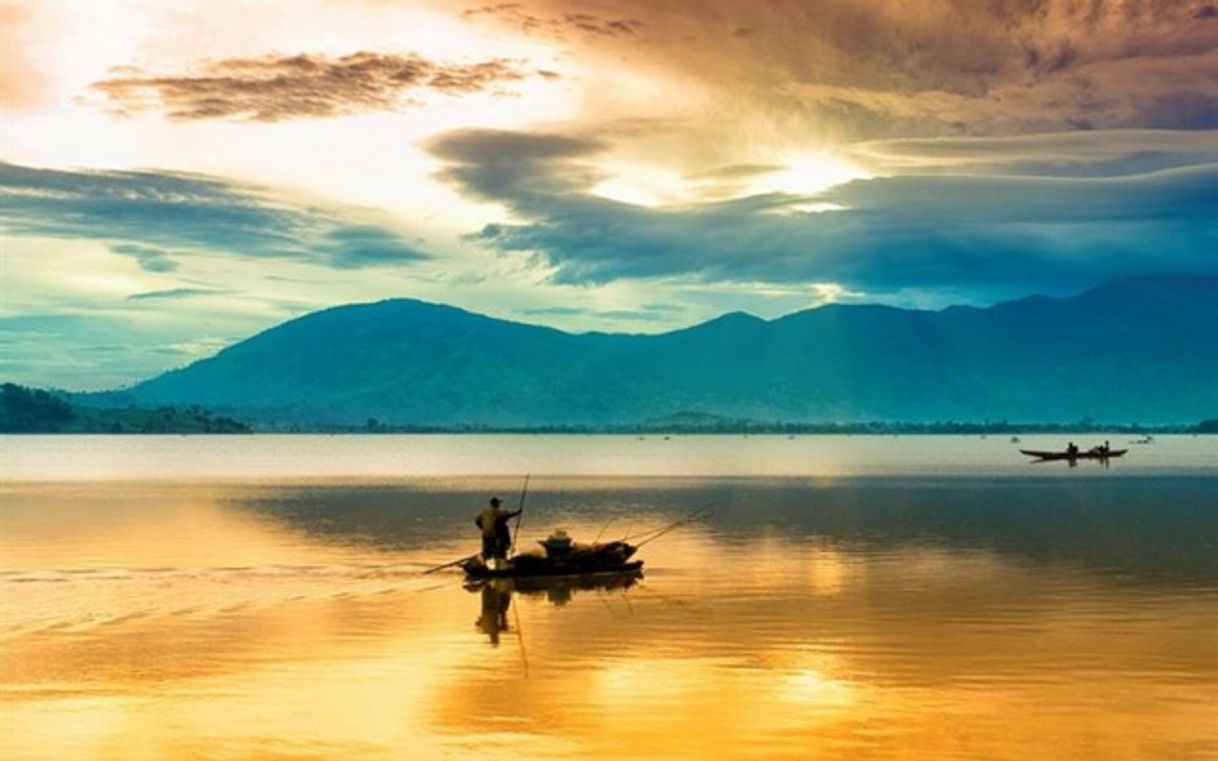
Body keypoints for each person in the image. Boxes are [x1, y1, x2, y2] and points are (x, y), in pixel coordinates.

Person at [475, 497, 521, 569]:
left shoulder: (484, 511)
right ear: (495, 504)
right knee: (498, 551)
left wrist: (482, 528)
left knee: (486, 550)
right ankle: (499, 567)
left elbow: (477, 520)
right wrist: (518, 512)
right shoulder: (497, 511)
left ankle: (484, 565)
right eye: (498, 503)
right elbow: (507, 514)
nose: (499, 504)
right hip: (494, 533)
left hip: (485, 533)